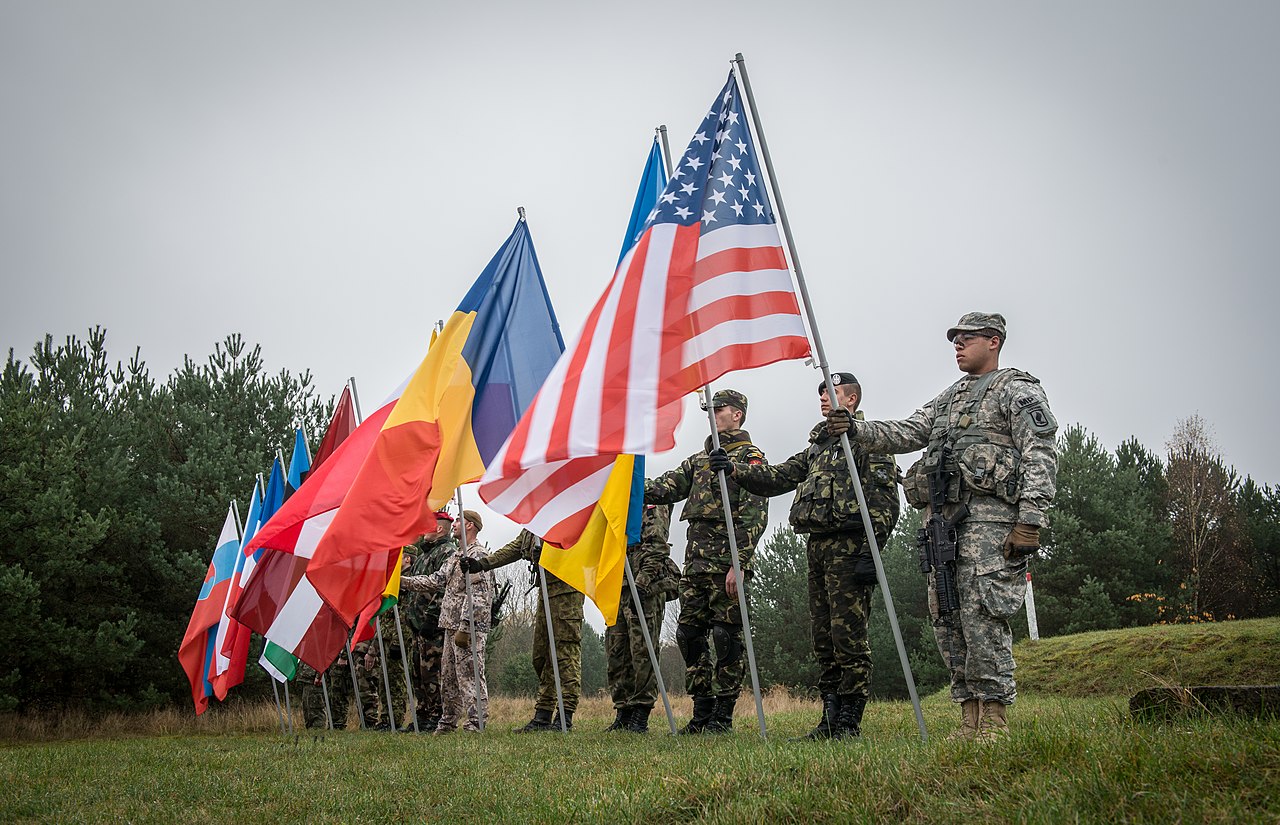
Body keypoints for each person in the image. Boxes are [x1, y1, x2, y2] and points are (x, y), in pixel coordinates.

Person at [835, 312, 1058, 740]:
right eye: (954, 339)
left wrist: (1030, 520)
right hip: (942, 526)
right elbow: (908, 431)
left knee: (982, 616)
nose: (957, 345)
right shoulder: (949, 399)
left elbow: (1041, 454)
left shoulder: (1016, 390)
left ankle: (994, 718)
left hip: (990, 525)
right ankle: (968, 716)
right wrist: (857, 429)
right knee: (947, 618)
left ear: (994, 341)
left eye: (966, 338)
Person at [711, 372, 900, 739]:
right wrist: (735, 471)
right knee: (823, 636)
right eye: (821, 396)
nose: (824, 401)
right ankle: (829, 716)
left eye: (831, 394)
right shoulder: (817, 446)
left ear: (852, 400)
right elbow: (780, 476)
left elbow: (883, 501)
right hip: (817, 547)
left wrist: (870, 552)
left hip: (850, 547)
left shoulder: (868, 443)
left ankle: (849, 720)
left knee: (848, 636)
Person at [645, 389, 769, 734]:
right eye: (710, 409)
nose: (712, 414)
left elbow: (755, 513)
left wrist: (740, 562)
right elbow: (666, 486)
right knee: (689, 635)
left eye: (720, 408)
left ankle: (723, 716)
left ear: (738, 415)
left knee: (726, 636)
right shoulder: (700, 460)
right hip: (696, 563)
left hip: (725, 564)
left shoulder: (750, 458)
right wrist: (627, 485)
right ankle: (702, 712)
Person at [461, 528, 585, 732]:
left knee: (565, 655)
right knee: (541, 656)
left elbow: (579, 546)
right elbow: (516, 547)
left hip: (568, 590)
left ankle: (565, 716)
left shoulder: (565, 512)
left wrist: (551, 554)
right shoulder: (536, 521)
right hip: (545, 590)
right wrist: (482, 564)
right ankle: (543, 715)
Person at [400, 509, 494, 734]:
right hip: (450, 625)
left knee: (470, 675)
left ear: (469, 525)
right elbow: (435, 580)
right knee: (449, 679)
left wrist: (466, 626)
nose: (454, 525)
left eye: (458, 522)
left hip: (467, 628)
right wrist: (402, 581)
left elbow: (480, 595)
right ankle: (448, 722)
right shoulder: (455, 556)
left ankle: (476, 722)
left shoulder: (477, 556)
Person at [605, 504, 678, 733]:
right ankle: (623, 711)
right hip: (619, 586)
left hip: (644, 589)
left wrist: (643, 581)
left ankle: (640, 714)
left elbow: (657, 546)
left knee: (642, 651)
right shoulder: (615, 503)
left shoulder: (648, 504)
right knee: (617, 651)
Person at [400, 510, 457, 733]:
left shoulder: (446, 552)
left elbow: (443, 586)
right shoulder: (425, 555)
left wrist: (432, 618)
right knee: (419, 673)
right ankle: (423, 714)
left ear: (439, 528)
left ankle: (436, 715)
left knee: (433, 673)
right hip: (417, 624)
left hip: (432, 625)